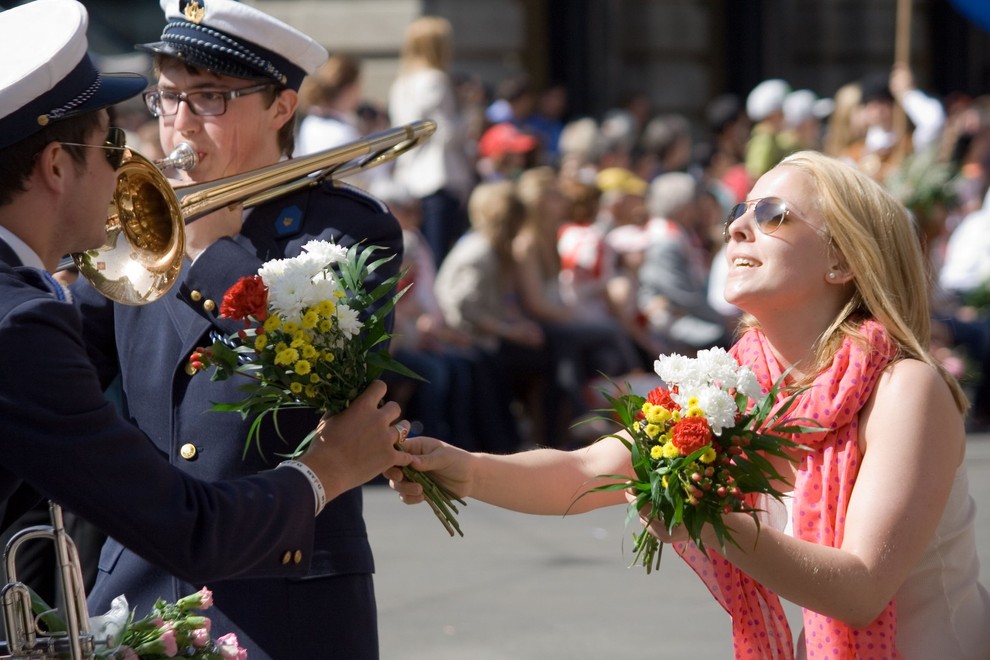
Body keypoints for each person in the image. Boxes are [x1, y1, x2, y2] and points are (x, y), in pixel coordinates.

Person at [388, 150, 990, 658]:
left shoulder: (903, 387)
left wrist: (702, 522)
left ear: (842, 259)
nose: (736, 229)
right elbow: (584, 471)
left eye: (773, 214)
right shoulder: (730, 386)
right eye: (737, 211)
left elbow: (859, 590)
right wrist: (462, 468)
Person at [0, 0, 409, 643]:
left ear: (281, 107)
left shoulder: (350, 230)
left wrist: (215, 256)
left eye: (211, 98)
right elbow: (68, 365)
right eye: (168, 98)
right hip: (139, 586)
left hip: (281, 595)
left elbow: (330, 381)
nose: (181, 123)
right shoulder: (135, 223)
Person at [387, 15, 474, 264]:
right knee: (436, 260)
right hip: (437, 179)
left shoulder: (401, 82)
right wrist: (469, 110)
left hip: (409, 179)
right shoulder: (435, 80)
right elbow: (445, 133)